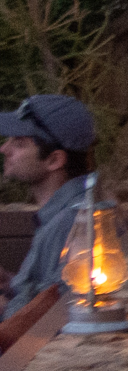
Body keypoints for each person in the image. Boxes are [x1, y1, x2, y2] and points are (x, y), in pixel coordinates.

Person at [1, 93, 100, 320]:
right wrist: (12, 283)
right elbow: (47, 290)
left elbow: (51, 315)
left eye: (19, 143)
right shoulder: (67, 211)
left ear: (54, 160)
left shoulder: (72, 223)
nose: (4, 149)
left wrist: (6, 307)